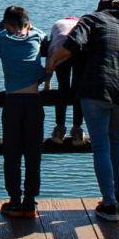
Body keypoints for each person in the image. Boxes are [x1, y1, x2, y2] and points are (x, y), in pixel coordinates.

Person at [52, 0, 119, 218]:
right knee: (116, 139)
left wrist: (52, 60)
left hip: (97, 88)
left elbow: (73, 45)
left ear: (99, 9)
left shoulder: (92, 19)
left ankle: (108, 204)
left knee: (100, 146)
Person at [0, 5, 49, 219]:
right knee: (33, 154)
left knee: (11, 154)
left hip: (12, 102)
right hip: (34, 101)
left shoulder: (2, 38)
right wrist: (25, 27)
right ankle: (30, 202)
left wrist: (1, 25)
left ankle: (13, 200)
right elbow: (43, 34)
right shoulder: (36, 35)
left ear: (8, 25)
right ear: (28, 25)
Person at [44, 12, 86, 143]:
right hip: (80, 50)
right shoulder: (81, 24)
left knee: (63, 88)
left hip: (60, 47)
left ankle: (59, 128)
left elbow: (49, 54)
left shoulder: (57, 24)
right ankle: (77, 128)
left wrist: (47, 84)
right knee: (78, 89)